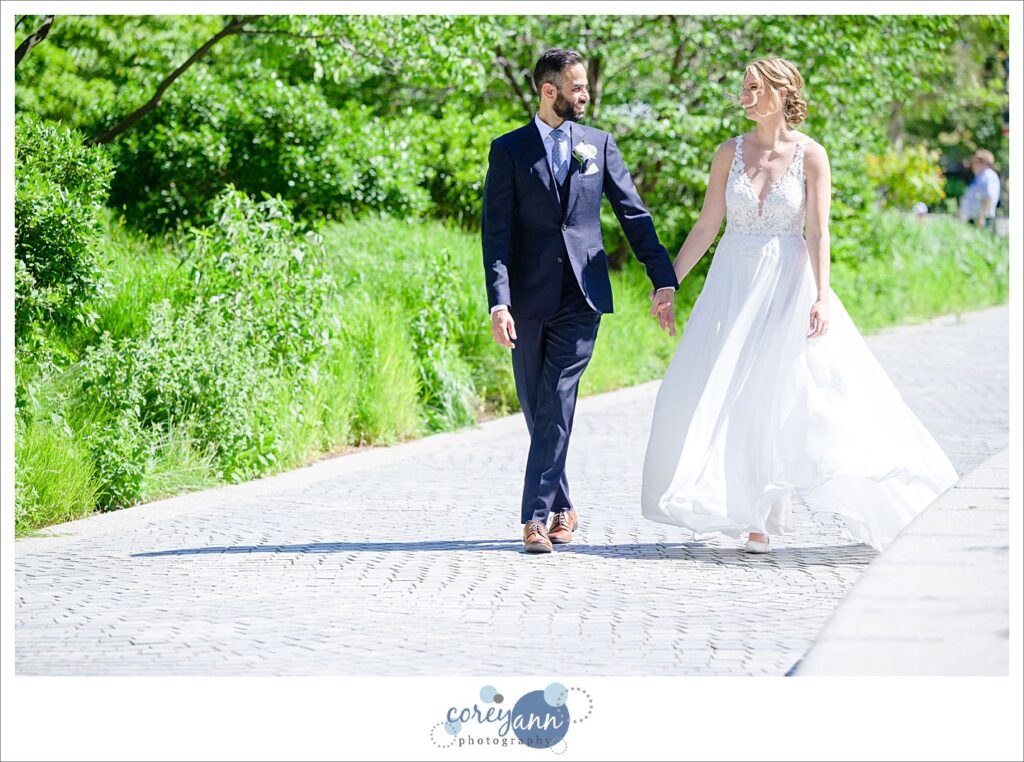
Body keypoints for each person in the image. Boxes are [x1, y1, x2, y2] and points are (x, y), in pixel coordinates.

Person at [640, 57, 958, 554]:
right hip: (733, 282)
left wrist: (821, 295)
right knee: (729, 392)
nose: (743, 96)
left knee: (784, 393)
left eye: (753, 88)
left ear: (780, 92)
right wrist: (670, 284)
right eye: (743, 87)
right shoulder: (728, 152)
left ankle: (764, 516)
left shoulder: (812, 155)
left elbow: (817, 230)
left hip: (788, 282)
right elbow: (707, 226)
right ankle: (751, 516)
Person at [482, 48, 678, 554]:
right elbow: (495, 234)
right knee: (536, 406)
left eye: (586, 86)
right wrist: (498, 303)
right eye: (576, 88)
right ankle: (565, 505)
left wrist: (663, 279)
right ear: (549, 92)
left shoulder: (600, 144)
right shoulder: (508, 150)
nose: (585, 95)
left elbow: (633, 216)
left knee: (559, 398)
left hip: (583, 296)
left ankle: (534, 516)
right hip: (526, 298)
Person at [959, 149, 1001, 231]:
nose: (972, 165)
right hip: (974, 218)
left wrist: (982, 217)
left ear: (984, 162)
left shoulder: (988, 176)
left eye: (975, 162)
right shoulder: (980, 177)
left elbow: (988, 197)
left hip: (980, 220)